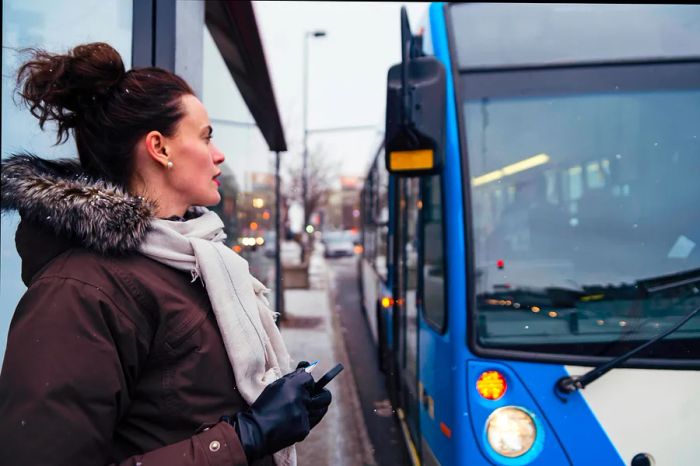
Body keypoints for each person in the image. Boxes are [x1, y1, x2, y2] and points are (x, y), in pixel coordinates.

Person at [0, 42, 332, 466]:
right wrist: (245, 437)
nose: (219, 154)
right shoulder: (77, 292)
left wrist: (279, 410)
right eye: (206, 136)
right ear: (160, 148)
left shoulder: (192, 260)